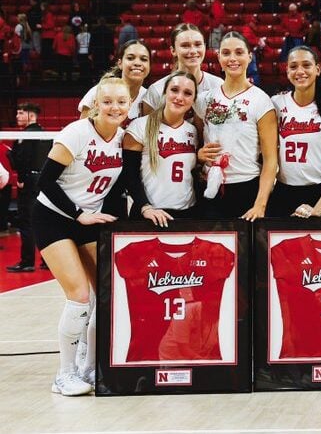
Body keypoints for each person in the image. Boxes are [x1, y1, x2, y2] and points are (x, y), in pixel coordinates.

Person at [33, 76, 130, 395]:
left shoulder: (122, 138)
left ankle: (90, 368)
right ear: (95, 106)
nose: (114, 107)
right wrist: (78, 214)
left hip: (88, 220)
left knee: (105, 293)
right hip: (54, 218)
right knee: (78, 296)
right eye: (108, 101)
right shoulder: (76, 133)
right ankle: (64, 374)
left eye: (121, 101)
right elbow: (44, 183)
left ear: (129, 105)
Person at [196, 31, 277, 221]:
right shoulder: (204, 99)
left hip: (247, 188)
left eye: (239, 52)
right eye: (226, 53)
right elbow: (197, 139)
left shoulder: (261, 100)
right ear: (218, 57)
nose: (232, 58)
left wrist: (260, 204)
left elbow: (270, 159)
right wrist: (199, 156)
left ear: (250, 56)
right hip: (211, 188)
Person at [268, 46, 321, 217]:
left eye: (306, 65)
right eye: (293, 66)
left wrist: (319, 209)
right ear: (287, 71)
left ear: (318, 69)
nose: (300, 71)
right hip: (283, 192)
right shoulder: (276, 103)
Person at [123, 71, 199, 226]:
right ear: (165, 92)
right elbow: (129, 174)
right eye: (174, 90)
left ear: (193, 100)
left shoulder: (192, 131)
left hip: (187, 214)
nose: (179, 97)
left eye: (187, 93)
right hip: (149, 214)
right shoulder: (140, 126)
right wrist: (145, 207)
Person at [5, 103, 53, 273]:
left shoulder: (26, 135)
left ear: (31, 116)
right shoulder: (47, 135)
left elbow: (22, 160)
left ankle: (27, 262)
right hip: (44, 180)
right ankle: (48, 261)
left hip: (30, 181)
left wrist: (11, 156)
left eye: (20, 113)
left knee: (27, 222)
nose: (17, 116)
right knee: (43, 221)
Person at [142, 23, 224, 115]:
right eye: (185, 45)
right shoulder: (157, 90)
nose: (193, 51)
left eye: (198, 44)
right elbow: (148, 128)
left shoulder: (218, 86)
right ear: (173, 50)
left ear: (204, 47)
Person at [78, 39, 151, 121]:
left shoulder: (150, 98)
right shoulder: (99, 91)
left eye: (143, 59)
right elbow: (82, 131)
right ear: (120, 63)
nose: (137, 63)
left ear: (149, 65)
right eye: (130, 58)